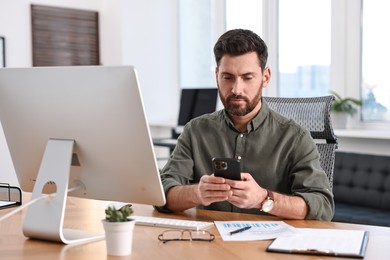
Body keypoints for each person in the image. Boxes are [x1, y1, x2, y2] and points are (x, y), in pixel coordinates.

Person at [158, 29, 334, 221]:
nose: (236, 89)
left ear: (265, 77)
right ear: (217, 75)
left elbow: (322, 206)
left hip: (268, 245)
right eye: (227, 77)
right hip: (210, 242)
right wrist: (197, 193)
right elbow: (163, 194)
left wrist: (264, 199)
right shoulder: (195, 131)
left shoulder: (295, 137)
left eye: (247, 77)